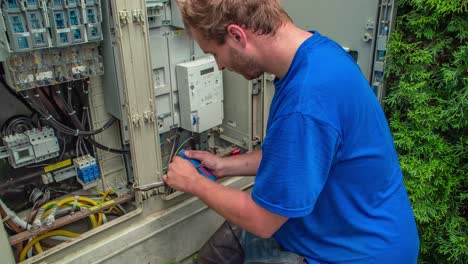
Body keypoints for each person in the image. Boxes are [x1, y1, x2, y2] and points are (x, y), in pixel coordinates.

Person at [163, 0, 420, 263]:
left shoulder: (306, 103)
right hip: (327, 229)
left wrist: (195, 183)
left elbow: (262, 221)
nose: (218, 66)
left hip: (355, 252)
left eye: (215, 54)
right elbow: (293, 158)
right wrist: (223, 166)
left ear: (236, 35)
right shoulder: (317, 53)